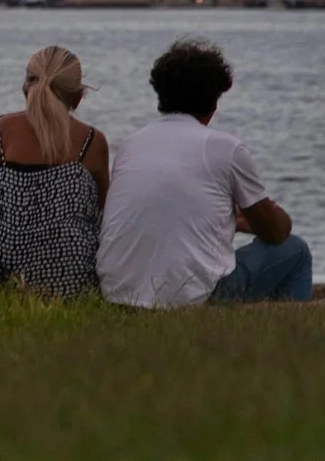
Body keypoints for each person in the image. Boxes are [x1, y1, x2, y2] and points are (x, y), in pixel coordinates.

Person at [96, 37, 312, 307]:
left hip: (119, 295)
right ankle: (295, 336)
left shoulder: (131, 145)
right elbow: (275, 231)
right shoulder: (226, 148)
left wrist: (228, 219)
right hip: (193, 299)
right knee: (296, 250)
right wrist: (261, 218)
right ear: (214, 102)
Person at [0, 46, 110, 297]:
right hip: (69, 279)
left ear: (25, 88)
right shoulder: (91, 141)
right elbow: (104, 211)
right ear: (78, 97)